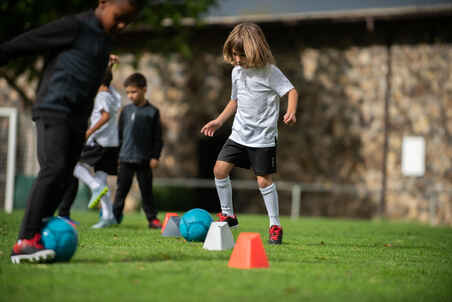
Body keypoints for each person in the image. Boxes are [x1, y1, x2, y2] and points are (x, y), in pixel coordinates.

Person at [1, 0, 144, 264]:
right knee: (54, 169)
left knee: (65, 177)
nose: (122, 25)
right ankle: (25, 241)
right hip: (54, 109)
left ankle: (39, 234)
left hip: (77, 120)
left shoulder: (104, 41)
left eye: (129, 21)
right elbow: (20, 44)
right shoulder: (74, 26)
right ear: (103, 3)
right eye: (119, 17)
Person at [200, 23, 299, 245]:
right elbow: (234, 101)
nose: (236, 60)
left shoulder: (270, 72)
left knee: (263, 181)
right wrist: (218, 120)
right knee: (219, 169)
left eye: (241, 55)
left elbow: (291, 91)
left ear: (255, 50)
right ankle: (229, 215)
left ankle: (275, 225)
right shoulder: (236, 72)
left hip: (263, 137)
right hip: (238, 134)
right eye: (234, 55)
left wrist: (290, 111)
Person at [58, 63, 122, 229]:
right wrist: (109, 66)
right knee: (101, 177)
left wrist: (88, 132)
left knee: (72, 163)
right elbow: (107, 79)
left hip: (98, 141)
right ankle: (108, 216)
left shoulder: (101, 96)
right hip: (112, 143)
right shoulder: (114, 94)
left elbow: (105, 116)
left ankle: (93, 186)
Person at [113, 73, 164, 229]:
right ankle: (114, 217)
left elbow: (157, 137)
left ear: (144, 90)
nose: (130, 96)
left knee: (146, 191)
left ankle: (152, 219)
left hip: (144, 159)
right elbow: (119, 135)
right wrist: (116, 155)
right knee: (121, 191)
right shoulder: (126, 111)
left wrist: (155, 156)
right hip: (125, 158)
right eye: (128, 92)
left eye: (133, 92)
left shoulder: (152, 112)